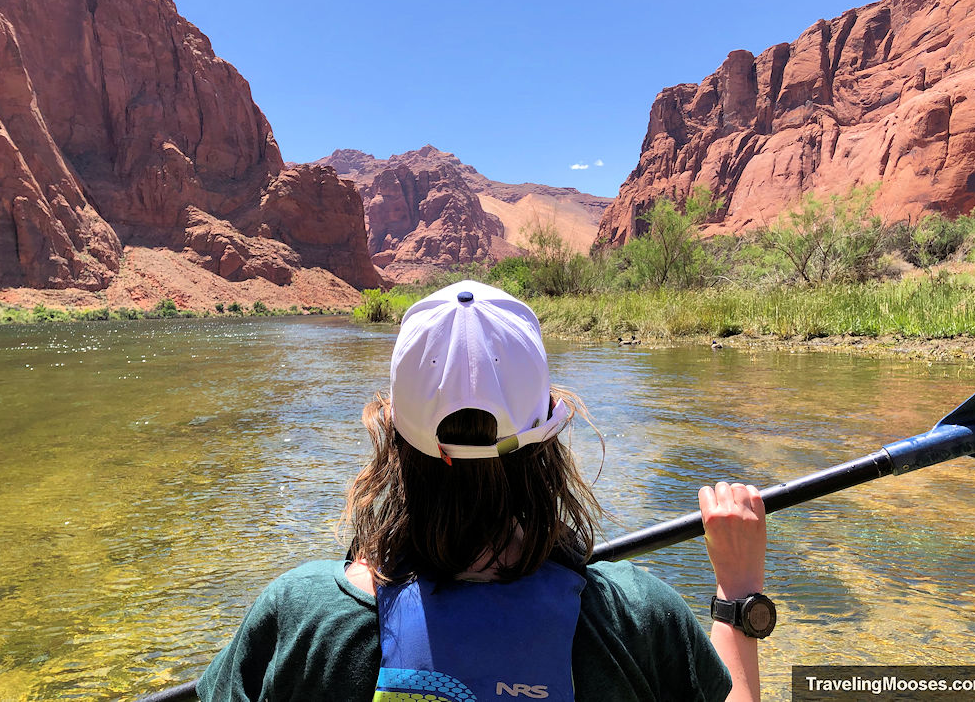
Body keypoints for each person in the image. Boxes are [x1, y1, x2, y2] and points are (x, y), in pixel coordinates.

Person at [198, 280, 768, 702]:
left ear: (391, 436)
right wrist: (738, 595)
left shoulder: (303, 617)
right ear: (547, 435)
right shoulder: (636, 616)